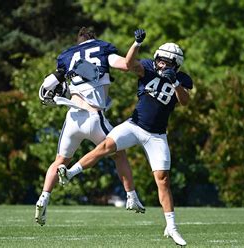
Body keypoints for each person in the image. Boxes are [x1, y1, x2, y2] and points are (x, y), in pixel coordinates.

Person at [57, 29, 192, 246]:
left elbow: (185, 101)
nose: (161, 65)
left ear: (175, 64)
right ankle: (71, 173)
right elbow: (130, 64)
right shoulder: (148, 67)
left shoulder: (182, 78)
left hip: (157, 135)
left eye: (166, 62)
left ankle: (171, 227)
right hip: (135, 125)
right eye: (160, 60)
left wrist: (175, 82)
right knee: (106, 146)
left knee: (163, 180)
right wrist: (136, 44)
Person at [34, 27, 145, 226]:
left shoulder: (67, 56)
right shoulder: (102, 49)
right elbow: (126, 65)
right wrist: (136, 43)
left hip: (73, 119)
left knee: (59, 160)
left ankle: (44, 197)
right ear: (94, 39)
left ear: (78, 42)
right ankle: (131, 197)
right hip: (94, 117)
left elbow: (49, 84)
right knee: (119, 153)